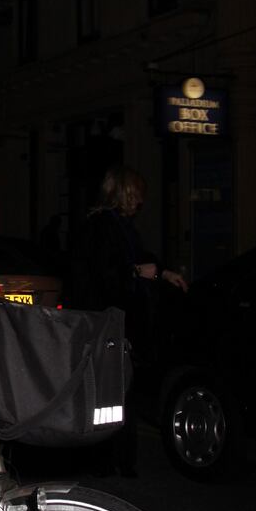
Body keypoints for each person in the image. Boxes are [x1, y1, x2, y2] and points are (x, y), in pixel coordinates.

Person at [67, 165, 187, 474]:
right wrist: (135, 272)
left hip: (117, 324)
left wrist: (162, 272)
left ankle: (117, 459)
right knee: (110, 394)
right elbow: (103, 275)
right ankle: (109, 459)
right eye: (135, 194)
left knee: (119, 391)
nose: (140, 202)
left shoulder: (119, 226)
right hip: (107, 325)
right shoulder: (101, 226)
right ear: (121, 193)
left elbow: (137, 260)